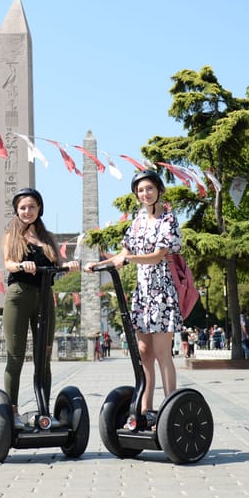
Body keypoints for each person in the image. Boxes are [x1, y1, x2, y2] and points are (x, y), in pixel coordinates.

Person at [86, 170, 182, 430]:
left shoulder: (168, 219)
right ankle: (145, 410)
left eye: (149, 188)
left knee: (162, 353)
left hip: (161, 291)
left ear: (159, 189)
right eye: (140, 190)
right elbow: (124, 252)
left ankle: (170, 408)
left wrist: (127, 259)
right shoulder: (138, 221)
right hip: (143, 292)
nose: (145, 194)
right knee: (144, 353)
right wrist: (99, 263)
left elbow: (158, 255)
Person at [1, 188, 79, 429]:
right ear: (17, 210)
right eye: (23, 208)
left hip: (45, 296)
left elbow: (58, 263)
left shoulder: (48, 237)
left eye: (32, 207)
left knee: (43, 356)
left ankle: (44, 408)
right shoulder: (11, 236)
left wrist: (71, 265)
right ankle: (12, 410)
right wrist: (21, 265)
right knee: (16, 356)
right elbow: (8, 263)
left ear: (39, 209)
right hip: (19, 295)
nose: (27, 211)